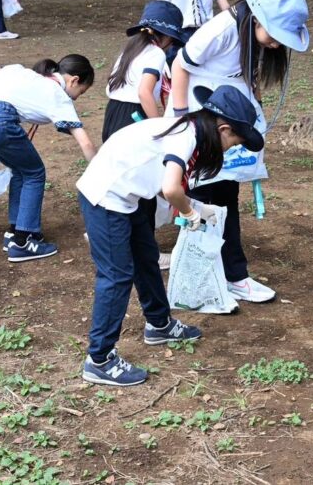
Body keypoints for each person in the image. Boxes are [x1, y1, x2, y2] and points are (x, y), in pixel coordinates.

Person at [77, 84, 264, 386]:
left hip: (132, 196)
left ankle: (159, 324)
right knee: (117, 275)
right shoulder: (186, 136)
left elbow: (171, 187)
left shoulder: (190, 130)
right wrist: (191, 214)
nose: (231, 148)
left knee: (146, 258)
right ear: (224, 128)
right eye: (234, 142)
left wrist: (192, 208)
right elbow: (171, 188)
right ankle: (99, 359)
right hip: (106, 195)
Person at [167, 0, 310, 305]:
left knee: (227, 192)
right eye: (275, 35)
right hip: (201, 116)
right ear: (258, 19)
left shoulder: (252, 35)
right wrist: (179, 120)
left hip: (229, 114)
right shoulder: (222, 29)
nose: (276, 45)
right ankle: (196, 280)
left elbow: (244, 74)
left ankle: (234, 276)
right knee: (200, 193)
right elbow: (179, 66)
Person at [0, 55, 97, 262]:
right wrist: (101, 171)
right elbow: (85, 143)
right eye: (81, 91)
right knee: (34, 173)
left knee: (21, 170)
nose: (77, 97)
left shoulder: (24, 72)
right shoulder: (58, 95)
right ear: (74, 80)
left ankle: (15, 231)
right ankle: (22, 243)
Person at [103, 0, 188, 141]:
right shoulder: (156, 53)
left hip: (112, 112)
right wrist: (158, 127)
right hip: (133, 115)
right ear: (166, 36)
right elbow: (144, 92)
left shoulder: (129, 49)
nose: (171, 45)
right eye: (172, 40)